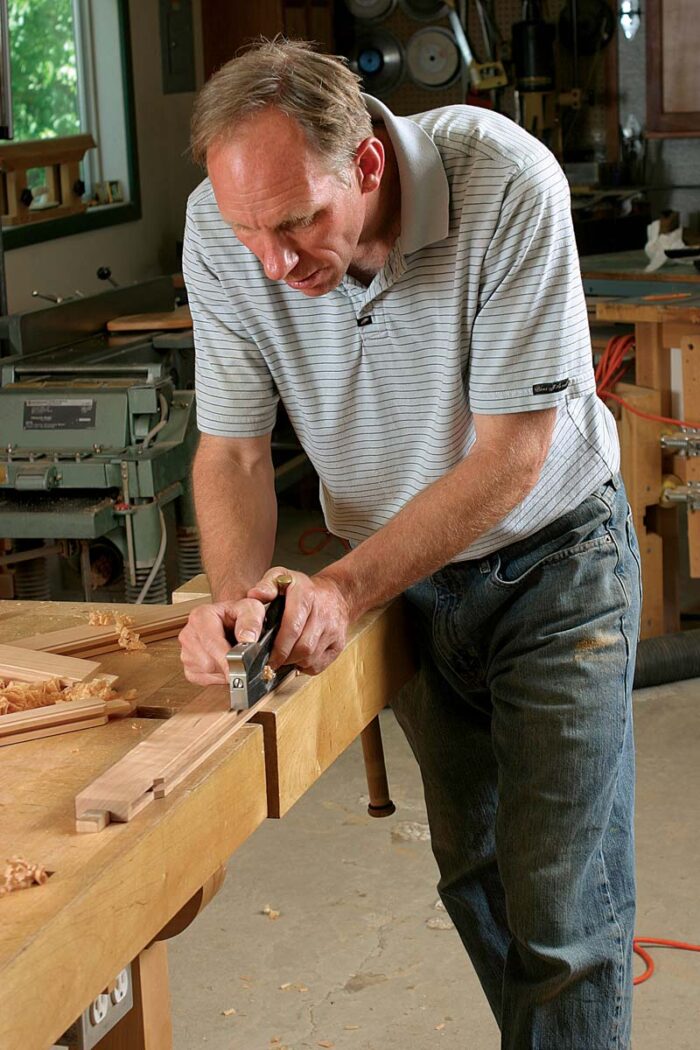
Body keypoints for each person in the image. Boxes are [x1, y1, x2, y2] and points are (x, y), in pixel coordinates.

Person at [178, 37, 641, 1050]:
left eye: (300, 223)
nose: (273, 262)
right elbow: (234, 453)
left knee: (562, 912)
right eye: (248, 231)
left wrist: (339, 592)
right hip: (407, 583)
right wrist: (240, 598)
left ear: (370, 167)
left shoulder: (503, 181)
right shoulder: (228, 227)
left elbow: (513, 458)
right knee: (475, 874)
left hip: (554, 563)